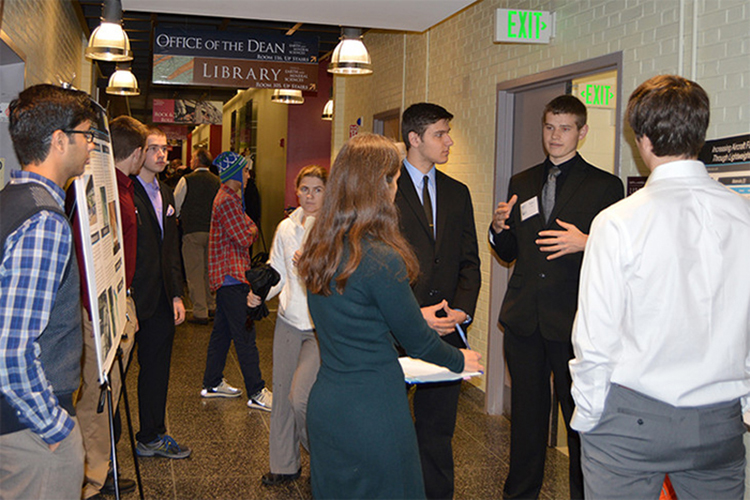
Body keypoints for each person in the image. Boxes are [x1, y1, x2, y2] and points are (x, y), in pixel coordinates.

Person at [569, 74, 750, 499]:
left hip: (631, 421)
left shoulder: (617, 222)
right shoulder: (743, 217)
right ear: (699, 136)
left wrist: (590, 413)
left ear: (643, 140)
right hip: (718, 424)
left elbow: (595, 337)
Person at [298, 133, 483, 499]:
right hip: (373, 410)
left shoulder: (321, 246)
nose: (398, 187)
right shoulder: (381, 257)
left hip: (329, 404)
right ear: (380, 185)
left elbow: (356, 312)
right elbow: (416, 341)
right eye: (395, 179)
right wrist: (459, 359)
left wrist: (414, 314)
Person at [490, 94, 623, 499]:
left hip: (573, 323)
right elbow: (511, 253)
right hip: (524, 320)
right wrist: (500, 230)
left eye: (565, 128)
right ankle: (521, 492)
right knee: (527, 419)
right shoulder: (523, 181)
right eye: (550, 127)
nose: (555, 136)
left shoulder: (605, 186)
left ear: (582, 132)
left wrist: (587, 242)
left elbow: (620, 254)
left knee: (579, 419)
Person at [0, 84, 96, 499]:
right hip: (30, 432)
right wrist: (54, 428)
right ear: (59, 141)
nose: (91, 145)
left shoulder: (11, 200)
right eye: (86, 135)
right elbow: (11, 348)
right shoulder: (44, 221)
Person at [395, 102, 481, 500]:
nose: (448, 142)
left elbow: (470, 260)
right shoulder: (385, 189)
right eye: (439, 134)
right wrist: (414, 315)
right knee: (388, 427)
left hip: (446, 330)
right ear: (415, 139)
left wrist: (461, 309)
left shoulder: (457, 192)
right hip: (397, 329)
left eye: (447, 133)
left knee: (437, 430)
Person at [76, 115, 147, 498]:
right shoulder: (110, 195)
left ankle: (99, 471)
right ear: (136, 153)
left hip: (118, 301)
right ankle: (90, 479)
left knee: (109, 394)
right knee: (98, 398)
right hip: (101, 311)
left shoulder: (120, 189)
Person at [258, 165, 327, 486]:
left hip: (319, 326)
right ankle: (285, 465)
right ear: (296, 191)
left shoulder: (333, 228)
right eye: (305, 189)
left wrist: (311, 265)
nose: (310, 196)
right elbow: (278, 272)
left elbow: (338, 278)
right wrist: (258, 294)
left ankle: (325, 457)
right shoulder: (286, 227)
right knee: (283, 395)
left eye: (317, 189)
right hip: (288, 320)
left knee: (302, 398)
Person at [132, 125, 190, 459]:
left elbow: (171, 249)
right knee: (115, 377)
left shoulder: (167, 194)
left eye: (165, 149)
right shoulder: (125, 192)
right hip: (131, 299)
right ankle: (102, 454)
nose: (161, 154)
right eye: (154, 148)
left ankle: (151, 435)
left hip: (161, 299)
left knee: (156, 370)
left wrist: (177, 294)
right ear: (139, 152)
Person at [202, 151, 272, 411]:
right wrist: (252, 228)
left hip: (228, 276)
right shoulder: (229, 201)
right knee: (245, 334)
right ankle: (256, 391)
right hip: (232, 276)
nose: (248, 175)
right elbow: (245, 236)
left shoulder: (230, 198)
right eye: (244, 171)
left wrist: (249, 227)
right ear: (234, 174)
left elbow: (247, 228)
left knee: (222, 332)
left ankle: (212, 382)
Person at [174, 147, 221, 324]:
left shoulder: (186, 180)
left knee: (194, 272)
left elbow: (176, 203)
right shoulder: (217, 181)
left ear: (198, 160)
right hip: (213, 232)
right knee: (209, 271)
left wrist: (179, 217)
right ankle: (212, 305)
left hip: (192, 231)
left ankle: (200, 311)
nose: (192, 160)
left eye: (193, 157)